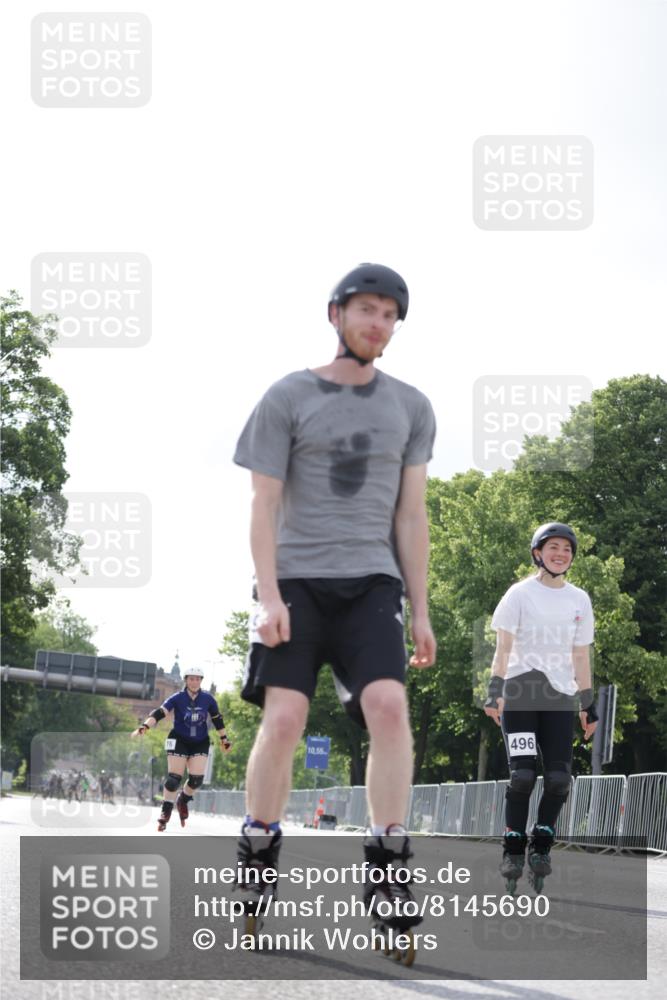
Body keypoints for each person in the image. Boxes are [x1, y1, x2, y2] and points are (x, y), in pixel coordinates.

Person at [233, 263, 437, 937]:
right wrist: (266, 596)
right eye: (367, 310)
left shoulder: (410, 406)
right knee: (285, 717)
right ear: (335, 313)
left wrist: (423, 610)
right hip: (294, 581)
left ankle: (387, 864)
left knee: (387, 704)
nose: (378, 323)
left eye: (389, 315)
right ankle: (258, 851)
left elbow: (411, 516)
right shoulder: (288, 395)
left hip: (371, 583)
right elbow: (262, 504)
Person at [483, 522, 599, 892]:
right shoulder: (519, 594)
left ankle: (542, 845)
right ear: (538, 552)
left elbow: (580, 654)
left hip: (558, 698)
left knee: (560, 779)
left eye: (566, 549)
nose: (560, 554)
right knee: (522, 776)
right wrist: (494, 690)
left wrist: (587, 702)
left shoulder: (579, 599)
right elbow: (502, 648)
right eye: (553, 547)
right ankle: (513, 847)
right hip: (519, 692)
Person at [131, 665, 232, 832]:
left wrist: (224, 739)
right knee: (173, 779)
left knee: (196, 780)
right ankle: (166, 811)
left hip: (200, 741)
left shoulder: (208, 699)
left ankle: (183, 799)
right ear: (186, 680)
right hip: (178, 739)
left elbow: (217, 719)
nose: (194, 682)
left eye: (197, 679)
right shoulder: (177, 697)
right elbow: (160, 712)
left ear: (201, 681)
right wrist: (145, 726)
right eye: (191, 678)